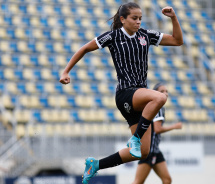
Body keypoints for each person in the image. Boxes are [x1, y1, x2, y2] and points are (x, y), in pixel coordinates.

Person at [59, 2, 183, 184]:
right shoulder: (113, 36)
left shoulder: (145, 35)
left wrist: (173, 18)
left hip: (139, 98)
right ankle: (135, 138)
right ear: (123, 19)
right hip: (126, 93)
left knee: (143, 152)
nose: (138, 22)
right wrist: (66, 71)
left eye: (140, 18)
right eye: (134, 18)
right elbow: (84, 48)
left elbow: (177, 40)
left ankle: (96, 165)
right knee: (160, 97)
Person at [132, 83, 182, 184]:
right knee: (138, 182)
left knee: (167, 179)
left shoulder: (157, 107)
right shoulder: (158, 107)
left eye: (166, 91)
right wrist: (174, 127)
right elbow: (157, 129)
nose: (165, 93)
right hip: (149, 151)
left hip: (155, 151)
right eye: (162, 91)